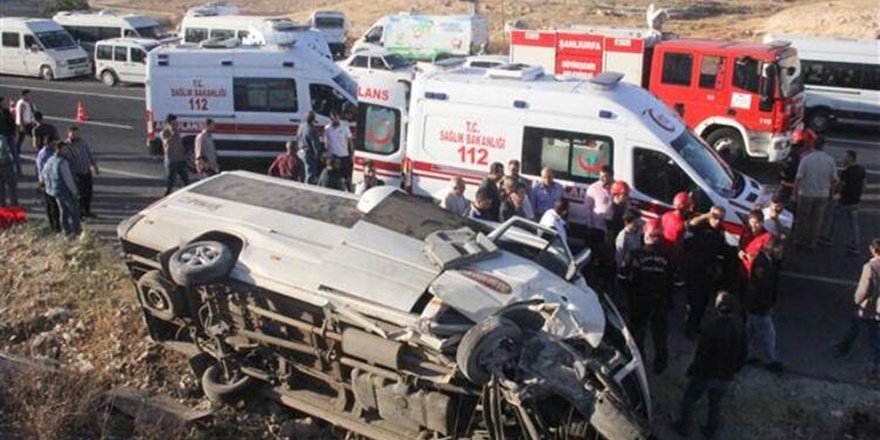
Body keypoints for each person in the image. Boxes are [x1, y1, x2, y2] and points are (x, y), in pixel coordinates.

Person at [673, 291, 747, 439]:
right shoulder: (739, 326)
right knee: (716, 403)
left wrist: (694, 369)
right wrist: (736, 369)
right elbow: (743, 351)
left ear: (718, 307)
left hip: (706, 374)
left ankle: (684, 427)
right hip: (726, 374)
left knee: (690, 399)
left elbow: (702, 354)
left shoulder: (711, 327)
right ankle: (711, 431)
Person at [623, 219, 675, 374]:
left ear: (645, 234)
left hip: (639, 300)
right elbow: (676, 282)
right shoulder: (669, 256)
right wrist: (669, 300)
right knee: (659, 333)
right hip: (659, 300)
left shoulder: (635, 254)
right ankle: (660, 364)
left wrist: (629, 295)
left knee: (637, 332)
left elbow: (622, 277)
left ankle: (638, 363)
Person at [836, 238, 880, 381]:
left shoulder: (870, 267)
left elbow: (864, 289)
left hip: (867, 306)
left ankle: (844, 348)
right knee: (875, 334)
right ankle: (875, 362)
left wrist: (857, 300)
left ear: (873, 250)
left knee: (855, 326)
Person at [684, 206, 729, 339]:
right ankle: (689, 328)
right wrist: (706, 216)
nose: (717, 221)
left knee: (704, 301)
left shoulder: (720, 231)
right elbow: (690, 225)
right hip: (695, 268)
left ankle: (696, 325)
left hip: (709, 270)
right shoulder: (701, 226)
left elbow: (721, 250)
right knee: (694, 301)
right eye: (715, 217)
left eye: (721, 218)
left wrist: (719, 267)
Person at [744, 236, 784, 372]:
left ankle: (745, 354)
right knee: (768, 334)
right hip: (758, 306)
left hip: (755, 305)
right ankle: (771, 359)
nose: (781, 253)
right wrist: (766, 306)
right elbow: (761, 288)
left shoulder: (767, 261)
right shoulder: (762, 264)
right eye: (779, 250)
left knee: (750, 332)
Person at [794, 134, 837, 250]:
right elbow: (834, 180)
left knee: (802, 218)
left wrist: (795, 193)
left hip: (806, 193)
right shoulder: (829, 160)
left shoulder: (806, 159)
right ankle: (813, 243)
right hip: (822, 194)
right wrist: (831, 193)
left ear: (813, 145)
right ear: (823, 146)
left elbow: (799, 178)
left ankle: (799, 240)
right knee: (817, 220)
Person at [819, 150, 866, 255]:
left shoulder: (846, 172)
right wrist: (860, 195)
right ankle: (855, 244)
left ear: (850, 158)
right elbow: (864, 184)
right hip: (855, 201)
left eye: (845, 157)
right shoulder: (861, 169)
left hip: (844, 201)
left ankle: (829, 238)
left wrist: (832, 194)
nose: (843, 159)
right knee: (853, 224)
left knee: (835, 219)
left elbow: (839, 186)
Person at [41, 141, 81, 236]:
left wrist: (48, 186)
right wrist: (75, 192)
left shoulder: (50, 160)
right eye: (65, 149)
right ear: (59, 150)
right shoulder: (63, 162)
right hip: (64, 190)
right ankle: (77, 231)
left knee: (63, 211)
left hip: (54, 190)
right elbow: (68, 179)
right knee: (74, 211)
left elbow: (44, 174)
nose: (67, 151)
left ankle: (66, 231)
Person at [64, 126, 99, 219]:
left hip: (86, 172)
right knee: (80, 195)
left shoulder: (82, 142)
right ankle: (79, 214)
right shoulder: (66, 146)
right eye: (73, 134)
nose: (76, 136)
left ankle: (87, 211)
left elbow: (88, 154)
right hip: (77, 174)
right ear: (69, 134)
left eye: (77, 134)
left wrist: (94, 166)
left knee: (88, 193)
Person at [778, 128, 816, 204]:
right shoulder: (811, 155)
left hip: (791, 187)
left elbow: (787, 171)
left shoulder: (795, 155)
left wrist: (782, 177)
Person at [585, 165, 615, 249]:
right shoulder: (593, 188)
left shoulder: (616, 187)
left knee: (609, 249)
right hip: (597, 226)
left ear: (611, 176)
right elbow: (588, 208)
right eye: (600, 176)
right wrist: (590, 225)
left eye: (605, 176)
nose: (602, 179)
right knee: (595, 249)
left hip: (611, 226)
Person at [36, 138, 61, 232]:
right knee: (52, 204)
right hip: (47, 181)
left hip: (51, 180)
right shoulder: (44, 154)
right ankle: (54, 225)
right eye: (53, 144)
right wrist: (41, 181)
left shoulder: (52, 152)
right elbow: (42, 169)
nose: (55, 145)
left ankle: (55, 224)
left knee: (53, 204)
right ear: (48, 143)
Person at [160, 114, 189, 196]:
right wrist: (172, 134)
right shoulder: (164, 133)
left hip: (180, 159)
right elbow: (166, 143)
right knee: (170, 181)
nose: (175, 126)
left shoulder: (177, 131)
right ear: (168, 124)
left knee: (185, 180)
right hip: (171, 160)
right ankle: (166, 196)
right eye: (173, 124)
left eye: (176, 124)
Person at [324, 111, 353, 189]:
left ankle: (349, 190)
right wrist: (327, 151)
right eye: (332, 118)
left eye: (336, 118)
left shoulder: (345, 127)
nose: (334, 120)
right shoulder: (327, 128)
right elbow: (326, 140)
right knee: (334, 175)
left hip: (343, 155)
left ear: (339, 117)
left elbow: (350, 140)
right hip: (333, 156)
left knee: (346, 176)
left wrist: (351, 152)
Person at [662, 191, 693, 260]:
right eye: (688, 206)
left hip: (662, 248)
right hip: (670, 254)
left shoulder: (666, 215)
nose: (691, 209)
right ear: (685, 208)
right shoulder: (680, 225)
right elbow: (678, 247)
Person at [13, 89, 36, 174]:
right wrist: (22, 125)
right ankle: (16, 153)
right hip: (24, 124)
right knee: (30, 136)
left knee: (21, 139)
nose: (29, 96)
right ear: (24, 95)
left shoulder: (27, 102)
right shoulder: (22, 103)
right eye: (28, 95)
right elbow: (20, 114)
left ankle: (16, 152)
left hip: (28, 123)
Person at [298, 111, 323, 184]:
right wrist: (318, 155)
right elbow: (315, 144)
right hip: (308, 153)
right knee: (310, 174)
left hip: (300, 152)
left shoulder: (301, 126)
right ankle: (307, 188)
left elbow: (297, 137)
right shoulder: (312, 129)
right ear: (313, 119)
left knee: (302, 173)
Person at [607, 180, 631, 248]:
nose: (627, 197)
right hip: (612, 234)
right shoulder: (610, 208)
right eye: (625, 195)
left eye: (627, 194)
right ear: (616, 194)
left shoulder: (626, 205)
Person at [0, 134, 17, 207]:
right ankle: (13, 205)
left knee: (1, 188)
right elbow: (3, 149)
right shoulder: (2, 138)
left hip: (5, 163)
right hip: (6, 164)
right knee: (11, 186)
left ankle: (2, 205)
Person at [0, 97, 15, 171]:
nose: (4, 103)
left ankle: (18, 169)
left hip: (8, 133)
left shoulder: (6, 111)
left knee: (14, 152)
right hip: (2, 135)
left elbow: (11, 121)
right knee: (4, 152)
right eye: (2, 102)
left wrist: (13, 131)